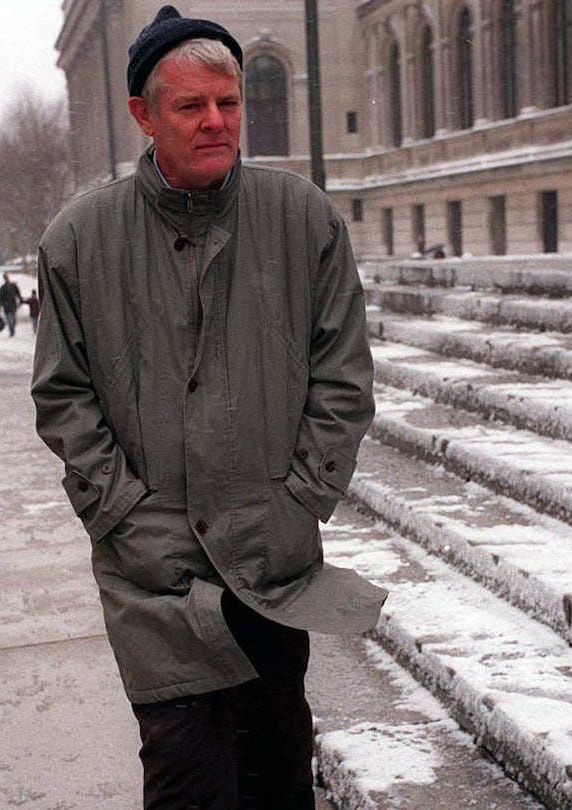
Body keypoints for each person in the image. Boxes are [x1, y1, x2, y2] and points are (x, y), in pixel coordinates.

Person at [29, 7, 384, 808]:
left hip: (270, 565)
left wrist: (300, 501)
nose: (219, 121)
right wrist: (123, 513)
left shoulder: (304, 221)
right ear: (143, 116)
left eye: (228, 101)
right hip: (153, 576)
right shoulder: (79, 240)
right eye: (192, 107)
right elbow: (62, 396)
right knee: (187, 775)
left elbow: (342, 377)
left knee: (278, 775)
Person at [0, 273, 22, 337]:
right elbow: (0, 297)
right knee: (9, 319)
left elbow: (18, 293)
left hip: (13, 305)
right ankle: (11, 331)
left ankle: (12, 329)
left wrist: (20, 300)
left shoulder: (13, 285)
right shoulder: (2, 287)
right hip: (7, 306)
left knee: (13, 319)